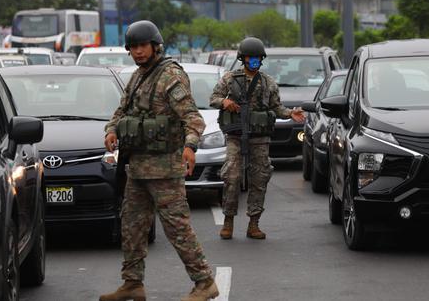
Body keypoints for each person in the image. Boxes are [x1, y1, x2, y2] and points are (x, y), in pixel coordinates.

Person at [100, 20, 218, 301]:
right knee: (131, 226)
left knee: (177, 227)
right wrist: (111, 130)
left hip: (164, 169)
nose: (138, 52)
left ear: (155, 46)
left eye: (143, 46)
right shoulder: (138, 76)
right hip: (138, 168)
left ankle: (204, 282)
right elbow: (122, 109)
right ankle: (132, 283)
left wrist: (190, 147)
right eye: (133, 48)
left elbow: (193, 118)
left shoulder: (170, 76)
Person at [210, 37, 305, 240]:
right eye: (250, 57)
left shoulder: (268, 82)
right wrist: (225, 102)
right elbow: (213, 99)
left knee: (259, 178)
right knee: (232, 177)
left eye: (257, 58)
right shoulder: (230, 79)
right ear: (242, 59)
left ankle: (254, 223)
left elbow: (276, 107)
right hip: (236, 136)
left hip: (260, 137)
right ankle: (228, 220)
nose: (254, 61)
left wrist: (290, 114)